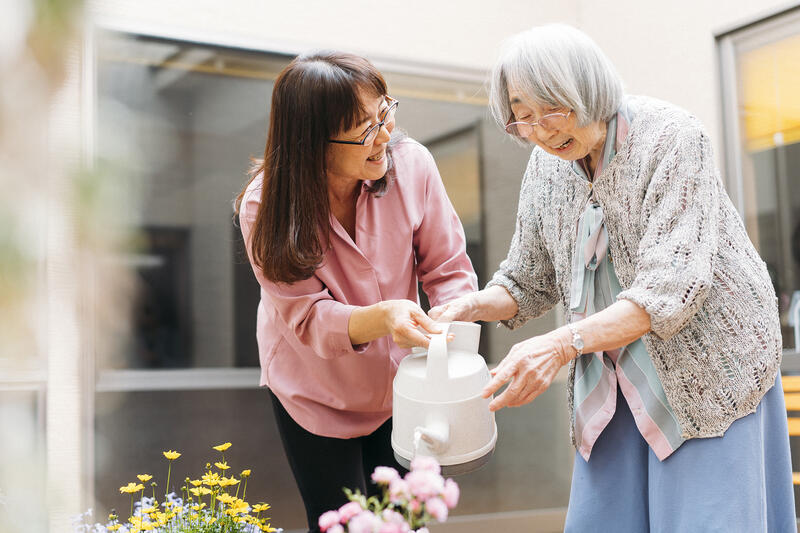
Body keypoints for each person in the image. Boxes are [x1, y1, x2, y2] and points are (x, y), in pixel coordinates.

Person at [430, 24, 796, 531]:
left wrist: (561, 344)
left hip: (707, 373)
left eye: (553, 109)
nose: (539, 130)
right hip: (609, 377)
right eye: (522, 116)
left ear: (588, 88)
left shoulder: (673, 138)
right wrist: (476, 304)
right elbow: (527, 277)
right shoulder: (545, 165)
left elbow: (671, 290)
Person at [235, 51, 477, 533]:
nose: (384, 135)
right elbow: (307, 316)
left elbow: (447, 267)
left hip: (402, 387)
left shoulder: (412, 167)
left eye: (384, 113)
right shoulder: (265, 207)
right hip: (314, 391)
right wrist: (385, 317)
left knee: (404, 522)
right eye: (364, 129)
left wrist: (448, 329)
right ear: (312, 144)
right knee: (339, 525)